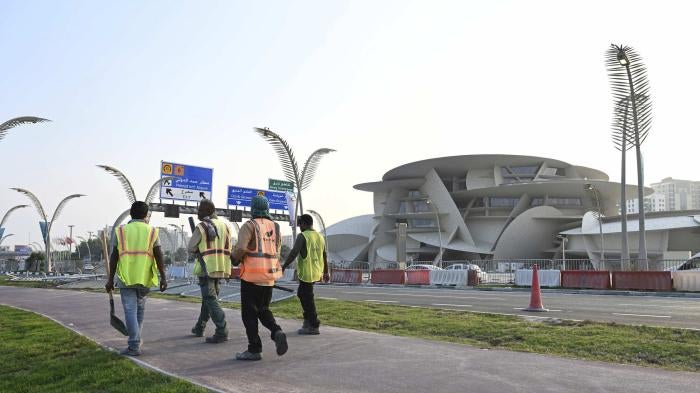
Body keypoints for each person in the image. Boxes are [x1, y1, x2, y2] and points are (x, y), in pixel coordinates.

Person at [105, 201, 167, 356]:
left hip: (126, 277)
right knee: (140, 309)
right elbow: (159, 255)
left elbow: (114, 257)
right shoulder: (152, 231)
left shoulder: (121, 231)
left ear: (131, 214)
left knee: (130, 311)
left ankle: (134, 345)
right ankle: (136, 341)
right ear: (146, 215)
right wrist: (163, 277)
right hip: (145, 277)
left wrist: (110, 279)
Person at [231, 195, 288, 361]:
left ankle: (254, 349)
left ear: (252, 209)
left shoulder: (249, 225)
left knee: (249, 314)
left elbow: (241, 248)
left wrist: (234, 258)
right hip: (269, 276)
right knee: (263, 310)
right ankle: (276, 331)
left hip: (251, 277)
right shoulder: (275, 227)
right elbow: (276, 250)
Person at [188, 199, 232, 343]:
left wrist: (198, 249)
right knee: (207, 300)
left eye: (200, 209)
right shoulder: (225, 226)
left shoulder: (201, 227)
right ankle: (199, 327)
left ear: (208, 210)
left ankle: (222, 330)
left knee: (211, 300)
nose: (197, 212)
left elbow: (191, 248)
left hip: (206, 268)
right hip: (221, 268)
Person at [282, 214, 329, 335]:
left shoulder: (302, 236)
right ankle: (308, 321)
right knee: (303, 295)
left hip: (307, 273)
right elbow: (324, 255)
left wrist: (284, 266)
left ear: (304, 223)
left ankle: (313, 324)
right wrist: (326, 272)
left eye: (300, 224)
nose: (299, 227)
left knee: (307, 298)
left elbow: (294, 253)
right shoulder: (320, 236)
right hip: (316, 271)